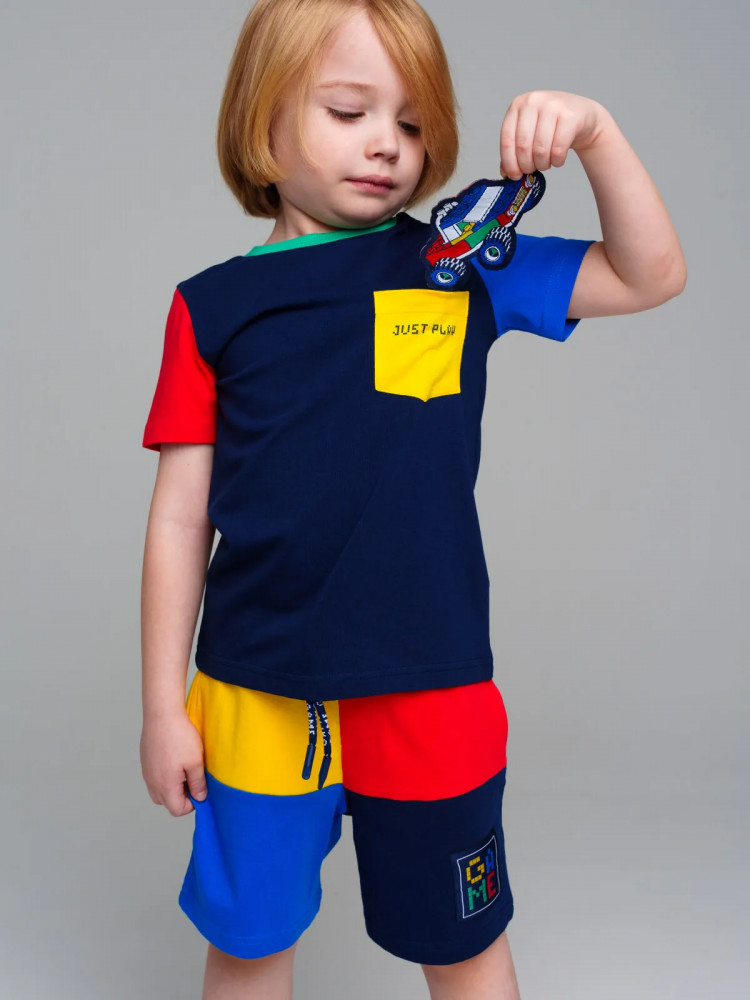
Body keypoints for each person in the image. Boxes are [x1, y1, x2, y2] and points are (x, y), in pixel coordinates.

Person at [139, 1, 686, 997]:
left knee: (464, 942)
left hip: (432, 679)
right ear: (263, 120)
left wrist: (597, 133)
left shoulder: (462, 266)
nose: (387, 144)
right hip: (256, 688)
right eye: (349, 111)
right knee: (251, 944)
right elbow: (180, 518)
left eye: (413, 121)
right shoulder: (209, 307)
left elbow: (651, 274)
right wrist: (161, 707)